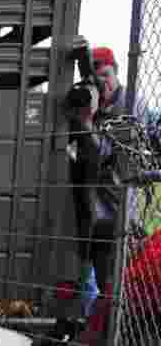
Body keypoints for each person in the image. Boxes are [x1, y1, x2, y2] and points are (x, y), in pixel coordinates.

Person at [67, 41, 127, 317]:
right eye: (96, 78)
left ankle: (106, 330)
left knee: (110, 280)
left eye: (106, 76)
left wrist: (87, 122)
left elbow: (104, 153)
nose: (102, 84)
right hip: (91, 207)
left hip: (116, 208)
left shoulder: (128, 104)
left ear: (116, 72)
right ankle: (90, 325)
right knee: (88, 274)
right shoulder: (94, 105)